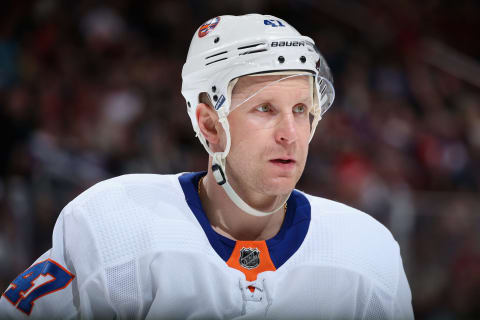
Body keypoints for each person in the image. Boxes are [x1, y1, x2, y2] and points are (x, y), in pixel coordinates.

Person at [0, 14, 413, 319]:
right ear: (209, 124)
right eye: (266, 109)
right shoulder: (113, 226)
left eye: (302, 109)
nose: (292, 133)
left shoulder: (367, 253)